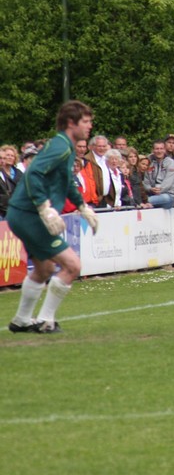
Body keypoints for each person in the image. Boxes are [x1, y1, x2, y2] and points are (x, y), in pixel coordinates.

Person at [7, 100, 100, 334]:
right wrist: (43, 207)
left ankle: (21, 320)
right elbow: (34, 174)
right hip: (30, 215)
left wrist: (82, 206)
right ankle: (45, 320)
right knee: (72, 265)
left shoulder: (65, 146)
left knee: (45, 268)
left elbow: (65, 182)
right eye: (86, 121)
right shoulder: (61, 146)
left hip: (22, 213)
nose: (90, 126)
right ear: (71, 122)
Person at [143, 140, 174, 208]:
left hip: (169, 195)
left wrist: (159, 190)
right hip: (152, 194)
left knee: (145, 201)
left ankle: (145, 203)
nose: (159, 151)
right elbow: (146, 182)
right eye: (157, 149)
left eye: (161, 149)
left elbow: (168, 183)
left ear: (165, 150)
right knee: (146, 201)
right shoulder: (149, 163)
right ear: (153, 150)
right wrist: (150, 189)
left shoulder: (171, 163)